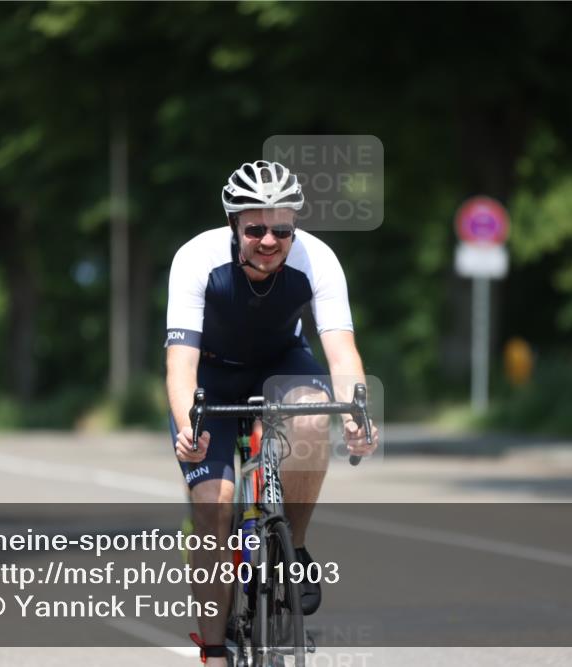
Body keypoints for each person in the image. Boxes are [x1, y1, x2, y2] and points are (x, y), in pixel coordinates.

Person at [165, 160, 379, 664]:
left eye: (281, 229)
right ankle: (214, 648)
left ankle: (293, 549)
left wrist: (358, 416)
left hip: (281, 363)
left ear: (294, 226)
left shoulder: (317, 259)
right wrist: (188, 428)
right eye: (254, 229)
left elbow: (342, 353)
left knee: (312, 416)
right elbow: (180, 364)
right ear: (233, 224)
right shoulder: (196, 259)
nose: (268, 241)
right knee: (212, 505)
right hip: (211, 372)